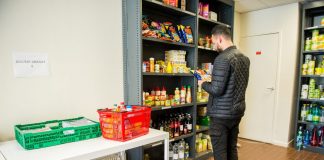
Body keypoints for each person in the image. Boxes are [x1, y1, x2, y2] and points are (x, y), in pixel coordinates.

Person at [198, 25, 250, 160]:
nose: (214, 46)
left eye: (214, 42)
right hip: (236, 112)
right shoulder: (244, 58)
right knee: (231, 149)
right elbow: (235, 84)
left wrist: (202, 83)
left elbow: (216, 90)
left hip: (221, 115)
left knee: (220, 154)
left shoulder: (222, 58)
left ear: (220, 39)